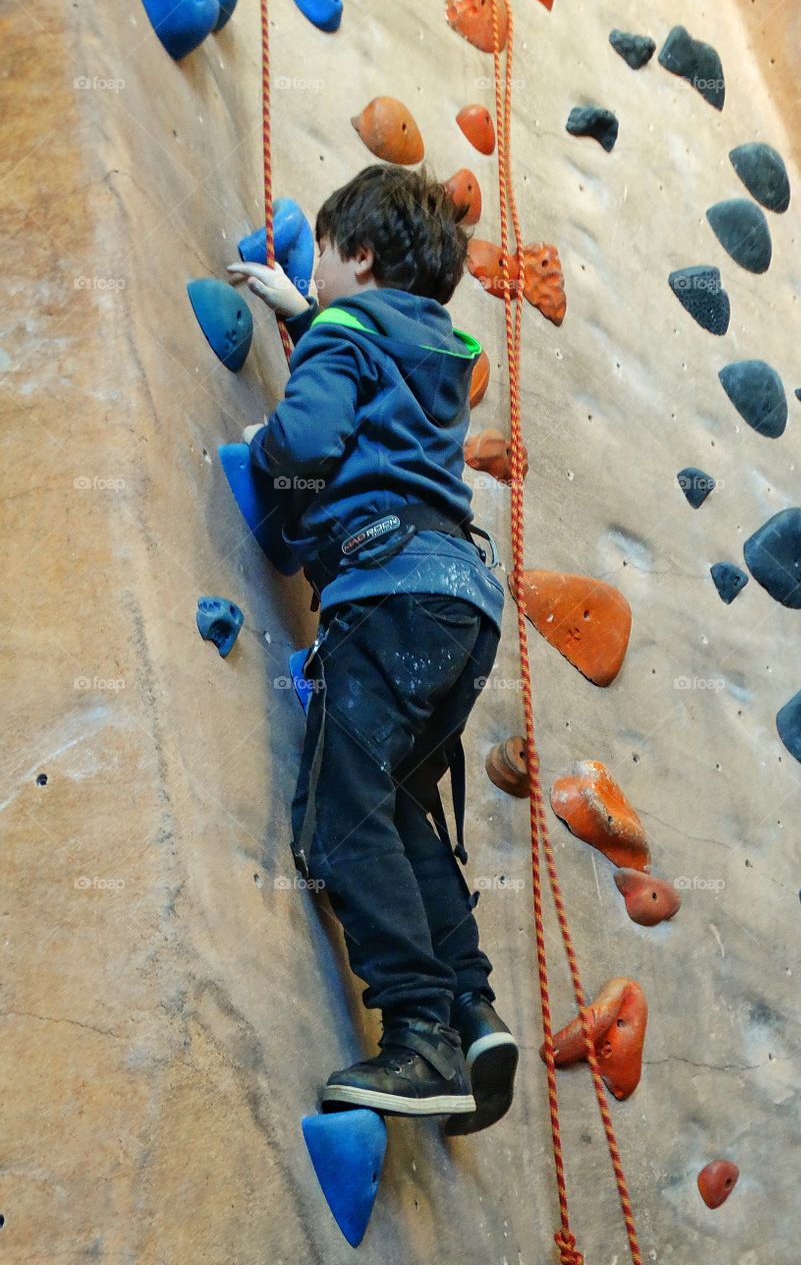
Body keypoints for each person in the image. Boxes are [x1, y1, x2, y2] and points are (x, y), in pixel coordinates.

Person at [227, 164, 518, 1133]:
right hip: (461, 603)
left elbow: (311, 440)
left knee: (337, 820)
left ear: (357, 255)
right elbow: (374, 382)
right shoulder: (440, 348)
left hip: (385, 594)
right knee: (397, 805)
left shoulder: (347, 334)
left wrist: (262, 445)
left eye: (334, 263)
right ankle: (473, 1011)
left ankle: (421, 1031)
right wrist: (309, 315)